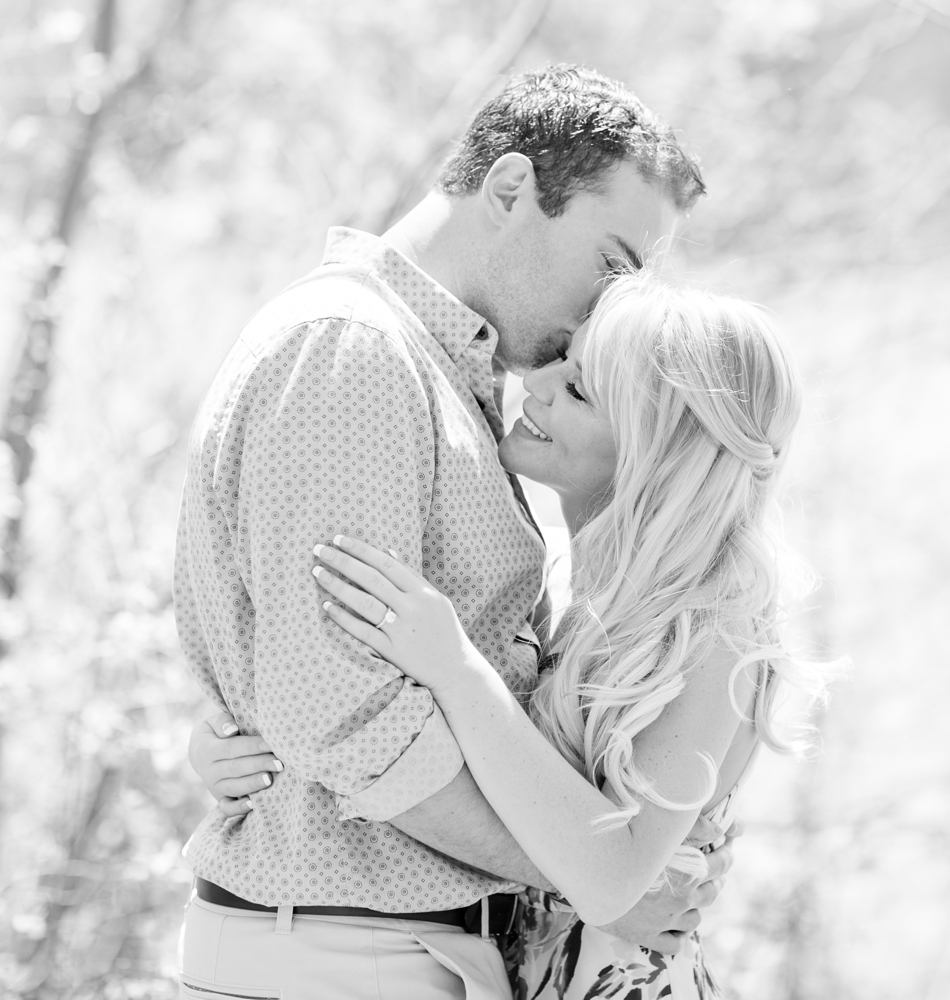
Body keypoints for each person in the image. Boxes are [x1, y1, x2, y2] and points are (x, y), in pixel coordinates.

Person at [173, 65, 730, 1000]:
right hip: (341, 958)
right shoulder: (354, 351)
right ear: (512, 189)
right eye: (612, 262)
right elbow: (350, 722)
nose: (609, 309)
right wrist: (593, 881)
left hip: (397, 952)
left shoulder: (437, 372)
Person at [192, 273, 824, 999]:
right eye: (561, 357)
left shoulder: (718, 629)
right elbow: (491, 775)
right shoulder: (589, 601)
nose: (540, 382)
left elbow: (613, 873)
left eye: (582, 390)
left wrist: (459, 671)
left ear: (659, 454)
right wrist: (247, 740)